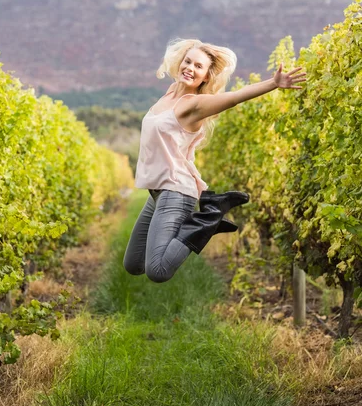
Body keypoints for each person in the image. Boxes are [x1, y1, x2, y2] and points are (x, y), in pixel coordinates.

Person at [123, 38, 307, 283]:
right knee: (134, 264)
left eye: (199, 67)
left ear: (206, 77)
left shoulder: (195, 105)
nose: (190, 68)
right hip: (157, 192)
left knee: (158, 271)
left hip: (176, 190)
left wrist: (273, 83)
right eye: (188, 61)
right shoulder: (169, 95)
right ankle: (207, 218)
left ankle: (209, 217)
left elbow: (236, 97)